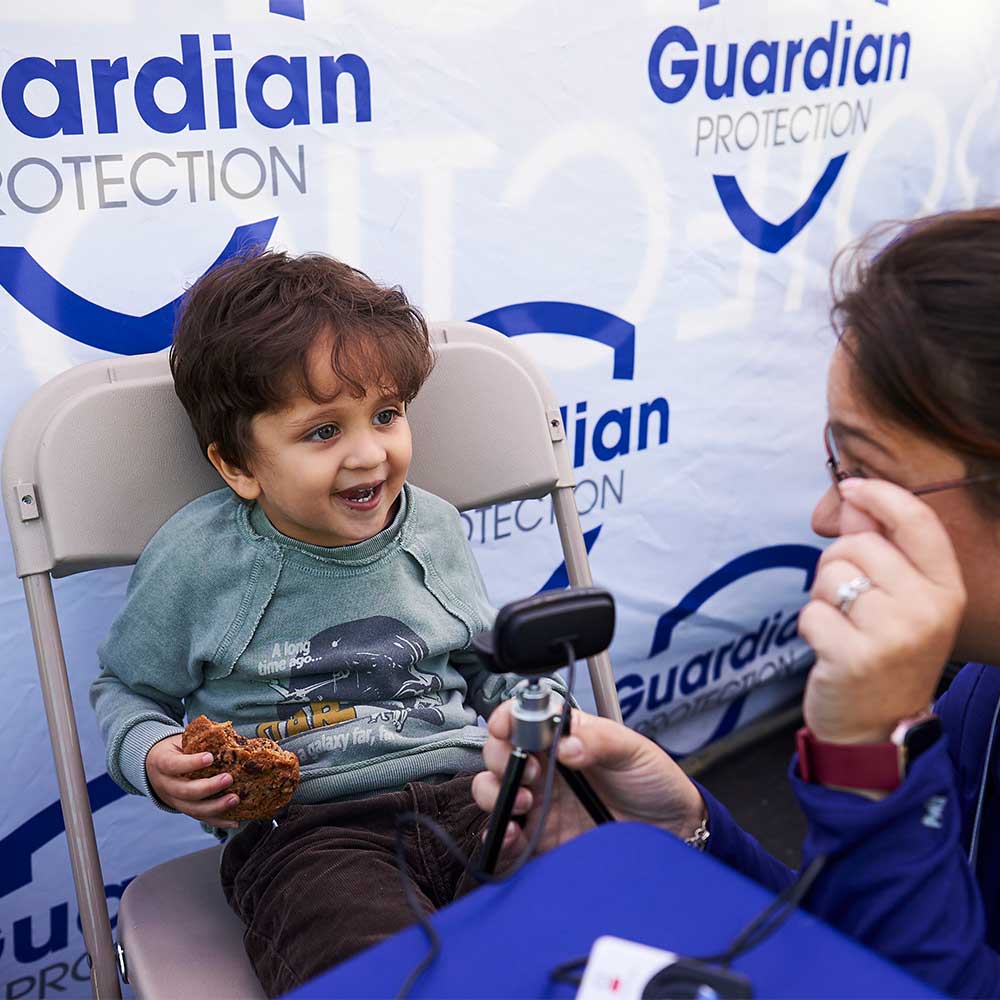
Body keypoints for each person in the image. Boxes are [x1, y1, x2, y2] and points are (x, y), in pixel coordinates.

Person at [473, 207, 1000, 997]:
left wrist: (865, 765)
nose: (828, 517)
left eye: (866, 472)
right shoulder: (977, 696)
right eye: (833, 464)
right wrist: (679, 834)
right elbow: (871, 943)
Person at [90, 250, 558, 997]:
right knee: (371, 972)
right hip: (310, 833)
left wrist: (537, 709)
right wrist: (150, 753)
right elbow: (126, 688)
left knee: (580, 919)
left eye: (386, 414)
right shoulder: (200, 561)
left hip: (472, 788)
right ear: (239, 466)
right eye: (322, 433)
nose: (369, 453)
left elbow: (483, 664)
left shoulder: (433, 528)